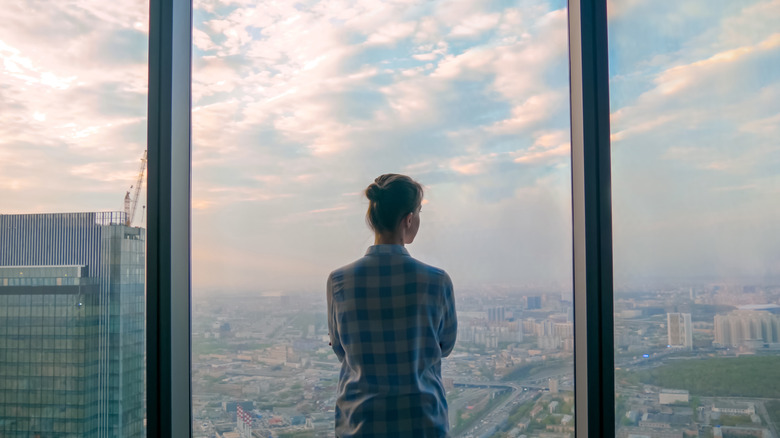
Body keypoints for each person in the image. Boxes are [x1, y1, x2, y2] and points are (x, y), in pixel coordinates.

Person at [327, 173, 458, 438]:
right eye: (418, 212)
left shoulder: (339, 281)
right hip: (423, 422)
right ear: (408, 219)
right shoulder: (437, 281)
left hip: (361, 424)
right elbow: (445, 346)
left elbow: (342, 349)